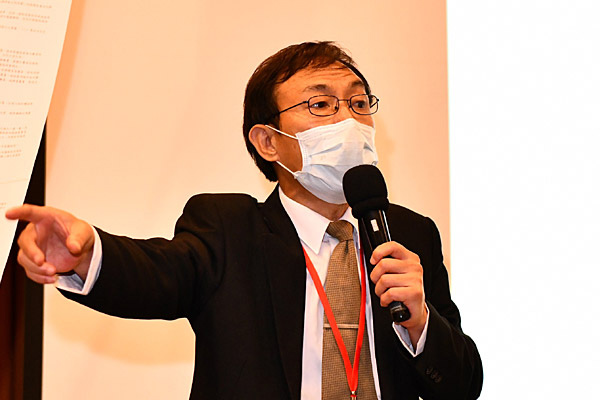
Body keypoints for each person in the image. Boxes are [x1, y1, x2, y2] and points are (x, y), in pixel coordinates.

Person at [6, 41, 483, 399]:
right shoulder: (229, 229)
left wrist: (420, 321)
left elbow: (462, 384)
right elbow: (156, 273)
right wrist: (88, 254)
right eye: (321, 105)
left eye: (359, 104)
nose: (348, 121)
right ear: (268, 141)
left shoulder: (409, 234)